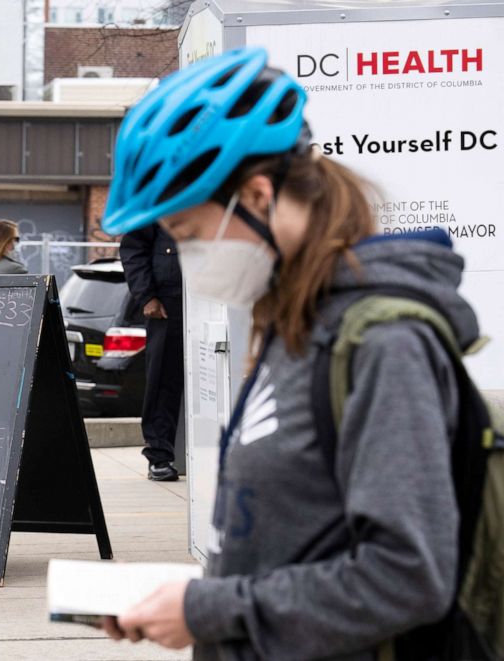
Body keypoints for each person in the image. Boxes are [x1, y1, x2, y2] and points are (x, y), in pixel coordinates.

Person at [99, 47, 470, 658]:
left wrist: (208, 609)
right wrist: (196, 602)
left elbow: (408, 576)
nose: (187, 257)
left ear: (259, 196)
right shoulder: (293, 324)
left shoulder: (383, 344)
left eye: (189, 234)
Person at [119, 225, 183, 481]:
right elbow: (133, 248)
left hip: (214, 296)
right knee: (164, 379)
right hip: (168, 301)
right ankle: (159, 456)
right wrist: (146, 296)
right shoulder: (158, 192)